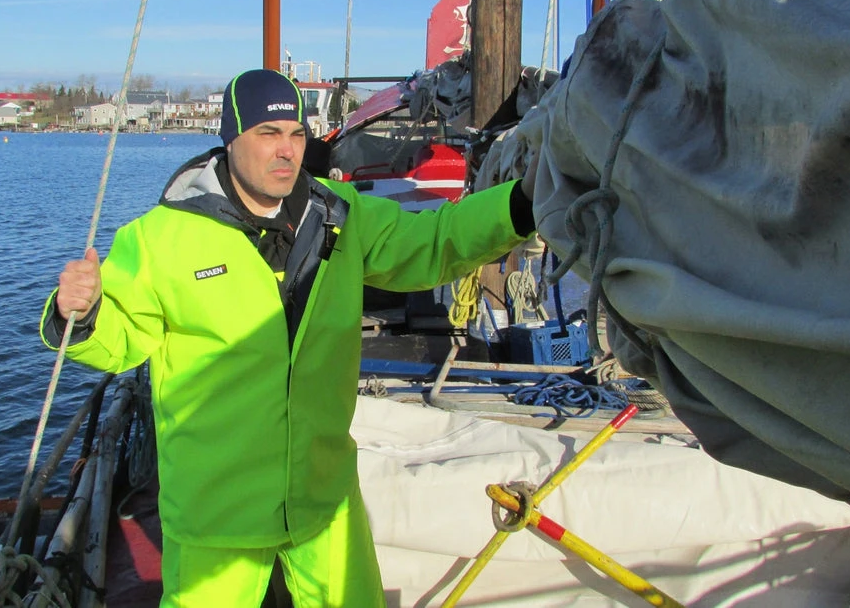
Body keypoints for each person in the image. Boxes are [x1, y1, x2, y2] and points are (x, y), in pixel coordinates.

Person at [42, 68, 537, 607]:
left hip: (321, 502)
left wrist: (523, 204)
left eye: (297, 134)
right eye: (268, 134)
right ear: (231, 139)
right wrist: (82, 314)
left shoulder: (340, 216)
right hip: (217, 514)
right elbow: (122, 338)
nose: (287, 150)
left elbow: (435, 242)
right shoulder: (160, 238)